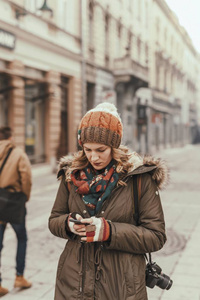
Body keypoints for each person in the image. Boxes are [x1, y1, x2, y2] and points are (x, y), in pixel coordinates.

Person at [49, 102, 168, 300]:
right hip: (73, 283)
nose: (93, 157)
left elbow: (156, 236)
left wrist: (109, 231)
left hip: (121, 285)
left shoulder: (139, 178)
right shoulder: (71, 175)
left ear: (115, 146)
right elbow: (54, 219)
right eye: (87, 149)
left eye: (100, 150)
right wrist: (68, 224)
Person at [0, 127, 32, 296]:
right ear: (10, 138)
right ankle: (19, 276)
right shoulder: (18, 153)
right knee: (21, 238)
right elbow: (26, 177)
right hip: (14, 202)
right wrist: (24, 197)